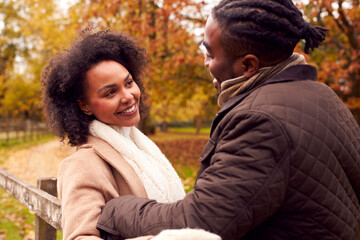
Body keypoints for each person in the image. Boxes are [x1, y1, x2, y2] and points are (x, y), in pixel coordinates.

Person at [96, 0, 360, 239]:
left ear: (247, 66)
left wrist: (116, 209)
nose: (205, 62)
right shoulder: (321, 95)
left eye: (210, 54)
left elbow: (197, 222)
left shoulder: (259, 121)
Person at [41, 30, 185, 240]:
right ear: (85, 105)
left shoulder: (141, 147)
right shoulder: (82, 164)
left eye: (128, 83)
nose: (128, 96)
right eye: (110, 92)